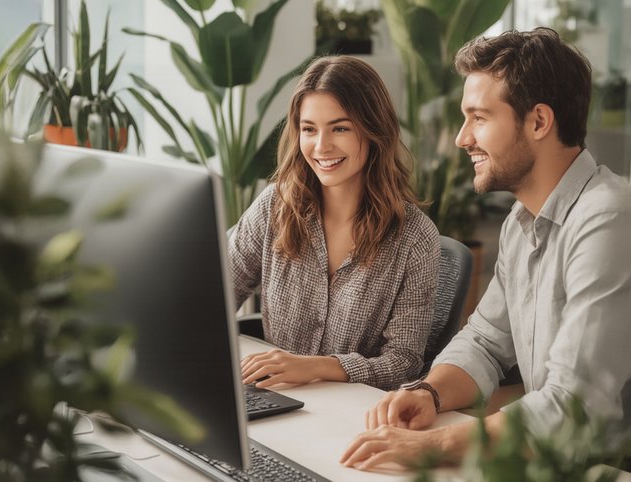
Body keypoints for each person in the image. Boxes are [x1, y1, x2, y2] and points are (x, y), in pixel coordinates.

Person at [342, 28, 631, 471]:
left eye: (478, 118)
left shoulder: (609, 219)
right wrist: (429, 392)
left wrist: (435, 445)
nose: (462, 138)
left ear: (539, 121)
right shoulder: (522, 221)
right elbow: (485, 341)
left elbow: (575, 407)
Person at [229, 56, 440, 392]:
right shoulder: (275, 206)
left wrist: (317, 367)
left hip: (354, 411)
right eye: (309, 129)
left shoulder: (414, 237)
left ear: (374, 130)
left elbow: (403, 362)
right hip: (275, 396)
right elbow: (214, 296)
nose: (321, 146)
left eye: (340, 128)